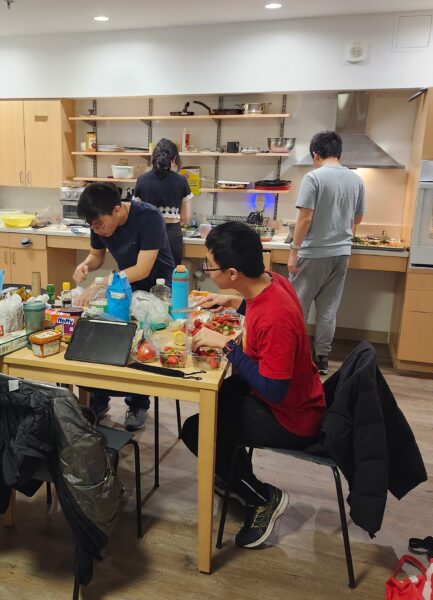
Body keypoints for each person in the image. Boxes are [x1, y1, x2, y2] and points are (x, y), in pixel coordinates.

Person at [180, 221, 325, 549]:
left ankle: (262, 497)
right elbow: (256, 308)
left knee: (195, 430)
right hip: (292, 398)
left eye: (209, 265)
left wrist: (227, 345)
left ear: (232, 273)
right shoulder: (273, 282)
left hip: (292, 417)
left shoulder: (276, 318)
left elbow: (275, 389)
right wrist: (231, 302)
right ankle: (233, 475)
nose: (206, 269)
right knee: (216, 400)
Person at [73, 182, 175, 431]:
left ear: (117, 210)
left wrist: (101, 285)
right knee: (106, 337)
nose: (98, 230)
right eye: (93, 226)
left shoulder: (149, 217)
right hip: (123, 286)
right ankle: (99, 399)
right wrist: (86, 264)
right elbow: (97, 254)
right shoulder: (99, 222)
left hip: (156, 290)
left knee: (141, 344)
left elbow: (143, 268)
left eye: (100, 224)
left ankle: (138, 403)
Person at [288, 131, 365, 375]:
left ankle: (296, 356)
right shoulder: (356, 180)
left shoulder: (314, 177)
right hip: (341, 253)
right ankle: (322, 358)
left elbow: (305, 217)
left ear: (315, 154)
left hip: (313, 253)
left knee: (298, 306)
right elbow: (358, 218)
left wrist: (294, 251)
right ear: (339, 153)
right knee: (328, 309)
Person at [132, 138, 192, 264]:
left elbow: (135, 214)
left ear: (154, 157)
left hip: (147, 235)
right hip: (172, 235)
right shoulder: (181, 181)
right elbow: (186, 217)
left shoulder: (142, 180)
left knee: (146, 275)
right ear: (175, 159)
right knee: (171, 278)